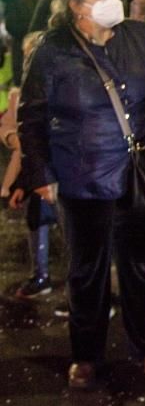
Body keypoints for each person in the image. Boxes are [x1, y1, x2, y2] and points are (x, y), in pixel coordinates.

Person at [18, 0, 145, 390]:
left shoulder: (143, 36)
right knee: (87, 271)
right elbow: (32, 116)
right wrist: (40, 173)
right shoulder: (52, 49)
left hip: (136, 173)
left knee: (139, 265)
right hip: (81, 178)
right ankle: (86, 355)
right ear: (72, 5)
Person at [2, 32, 58, 299]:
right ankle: (41, 275)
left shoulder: (55, 87)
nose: (28, 60)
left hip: (57, 170)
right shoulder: (21, 91)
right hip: (37, 171)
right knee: (38, 220)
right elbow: (15, 131)